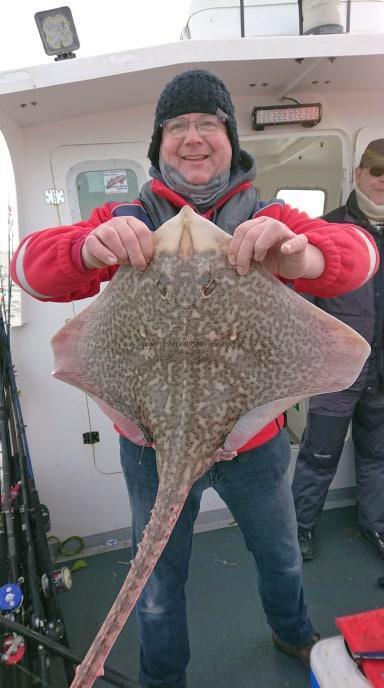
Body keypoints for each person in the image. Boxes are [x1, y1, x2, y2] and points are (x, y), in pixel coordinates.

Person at [11, 70, 378, 688]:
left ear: (231, 139)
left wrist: (304, 254)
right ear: (157, 146)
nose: (194, 136)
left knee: (281, 556)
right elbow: (28, 268)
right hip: (150, 444)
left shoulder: (270, 215)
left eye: (208, 123)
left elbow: (361, 254)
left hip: (253, 448)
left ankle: (292, 632)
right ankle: (162, 679)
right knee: (157, 579)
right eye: (178, 126)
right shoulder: (123, 217)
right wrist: (87, 249)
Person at [292, 138, 384, 562]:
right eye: (376, 170)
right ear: (358, 173)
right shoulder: (328, 230)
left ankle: (376, 526)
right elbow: (304, 306)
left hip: (381, 375)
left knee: (378, 454)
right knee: (319, 453)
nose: (382, 180)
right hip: (338, 371)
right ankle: (299, 528)